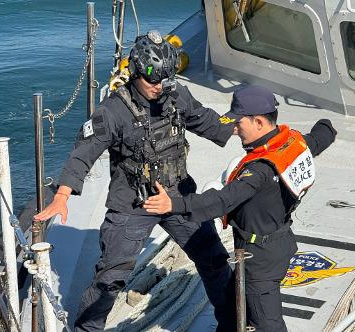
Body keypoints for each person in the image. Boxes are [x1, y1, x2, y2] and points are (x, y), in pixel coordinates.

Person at [33, 31, 236, 332]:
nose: (159, 87)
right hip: (132, 203)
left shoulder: (175, 94)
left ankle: (232, 323)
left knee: (215, 260)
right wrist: (62, 195)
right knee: (110, 278)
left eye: (166, 79)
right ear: (135, 72)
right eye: (153, 81)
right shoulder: (112, 111)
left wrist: (249, 128)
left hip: (178, 194)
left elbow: (205, 119)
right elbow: (82, 154)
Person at [144, 85, 337, 331]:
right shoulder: (290, 144)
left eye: (239, 123)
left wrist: (174, 203)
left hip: (259, 259)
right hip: (278, 242)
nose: (234, 130)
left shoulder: (258, 171)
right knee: (240, 305)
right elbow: (318, 139)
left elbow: (222, 200)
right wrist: (327, 126)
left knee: (266, 322)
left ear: (258, 122)